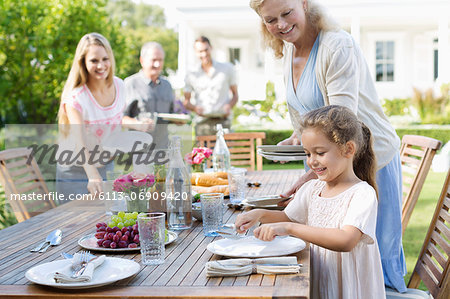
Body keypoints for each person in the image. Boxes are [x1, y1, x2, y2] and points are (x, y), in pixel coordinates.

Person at [249, 0, 406, 292]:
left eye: (287, 13)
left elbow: (341, 121)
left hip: (367, 162)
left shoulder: (337, 46)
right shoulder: (289, 49)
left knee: (374, 259)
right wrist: (297, 138)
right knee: (329, 259)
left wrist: (311, 175)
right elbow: (309, 117)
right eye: (271, 20)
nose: (281, 25)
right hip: (332, 166)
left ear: (304, 3)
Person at [236, 105, 385, 298]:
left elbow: (346, 241)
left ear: (348, 149)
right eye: (307, 153)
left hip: (349, 289)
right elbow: (288, 217)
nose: (312, 161)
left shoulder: (362, 194)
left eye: (320, 153)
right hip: (317, 278)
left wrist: (289, 228)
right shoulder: (312, 189)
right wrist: (259, 215)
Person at [56, 32, 126, 198]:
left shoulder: (120, 85)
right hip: (75, 171)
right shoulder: (76, 98)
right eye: (94, 61)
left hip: (106, 165)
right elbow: (80, 142)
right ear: (83, 62)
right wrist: (93, 175)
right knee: (76, 223)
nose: (101, 66)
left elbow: (115, 122)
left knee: (107, 219)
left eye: (105, 59)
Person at [123, 42, 176, 149]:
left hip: (163, 149)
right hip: (139, 150)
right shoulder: (130, 84)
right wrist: (138, 124)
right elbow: (120, 118)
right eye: (154, 60)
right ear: (142, 61)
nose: (157, 64)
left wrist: (179, 119)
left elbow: (172, 114)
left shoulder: (167, 85)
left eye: (160, 60)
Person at [183, 36, 239, 136]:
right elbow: (186, 102)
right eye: (200, 51)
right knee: (202, 152)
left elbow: (235, 95)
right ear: (195, 52)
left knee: (224, 151)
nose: (204, 54)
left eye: (206, 50)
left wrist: (229, 106)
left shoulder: (227, 69)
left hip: (223, 122)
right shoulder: (191, 74)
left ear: (211, 48)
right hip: (202, 124)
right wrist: (195, 108)